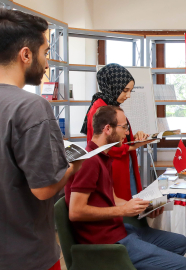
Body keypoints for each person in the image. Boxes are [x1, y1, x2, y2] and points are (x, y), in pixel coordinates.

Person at [0, 8, 83, 270]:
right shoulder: (31, 107)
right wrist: (75, 164)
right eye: (45, 53)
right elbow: (44, 188)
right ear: (26, 54)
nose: (47, 63)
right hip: (26, 256)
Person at [66, 105, 186, 270]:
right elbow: (75, 212)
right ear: (107, 129)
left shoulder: (103, 156)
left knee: (180, 243)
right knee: (182, 265)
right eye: (124, 127)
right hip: (108, 241)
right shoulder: (90, 161)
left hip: (119, 229)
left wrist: (142, 207)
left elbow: (113, 199)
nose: (127, 132)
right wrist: (123, 211)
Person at [81, 63, 148, 200]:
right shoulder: (99, 109)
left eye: (130, 91)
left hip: (121, 164)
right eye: (125, 90)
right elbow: (104, 145)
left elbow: (117, 136)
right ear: (112, 85)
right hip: (113, 167)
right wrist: (134, 145)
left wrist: (133, 138)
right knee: (121, 208)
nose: (128, 95)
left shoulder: (110, 105)